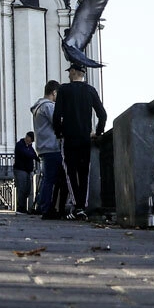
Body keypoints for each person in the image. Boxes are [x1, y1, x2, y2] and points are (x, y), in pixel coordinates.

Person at [53, 64, 106, 220]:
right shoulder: (91, 90)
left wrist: (59, 132)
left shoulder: (64, 90)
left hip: (69, 138)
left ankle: (77, 206)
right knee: (84, 173)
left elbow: (57, 116)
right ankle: (82, 206)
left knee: (70, 172)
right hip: (85, 138)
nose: (68, 74)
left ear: (74, 72)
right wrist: (98, 132)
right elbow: (102, 114)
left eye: (69, 71)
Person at [31, 80, 66, 219]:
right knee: (51, 180)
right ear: (54, 93)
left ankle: (43, 206)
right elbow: (58, 123)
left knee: (47, 179)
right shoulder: (49, 107)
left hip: (43, 147)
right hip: (52, 147)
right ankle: (46, 208)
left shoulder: (38, 107)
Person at [13, 132, 37, 213]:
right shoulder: (20, 145)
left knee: (27, 189)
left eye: (31, 141)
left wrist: (37, 158)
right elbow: (27, 154)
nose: (30, 142)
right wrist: (33, 156)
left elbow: (33, 154)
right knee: (22, 188)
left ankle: (24, 206)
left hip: (28, 170)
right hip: (20, 169)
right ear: (27, 137)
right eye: (29, 140)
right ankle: (20, 207)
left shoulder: (29, 146)